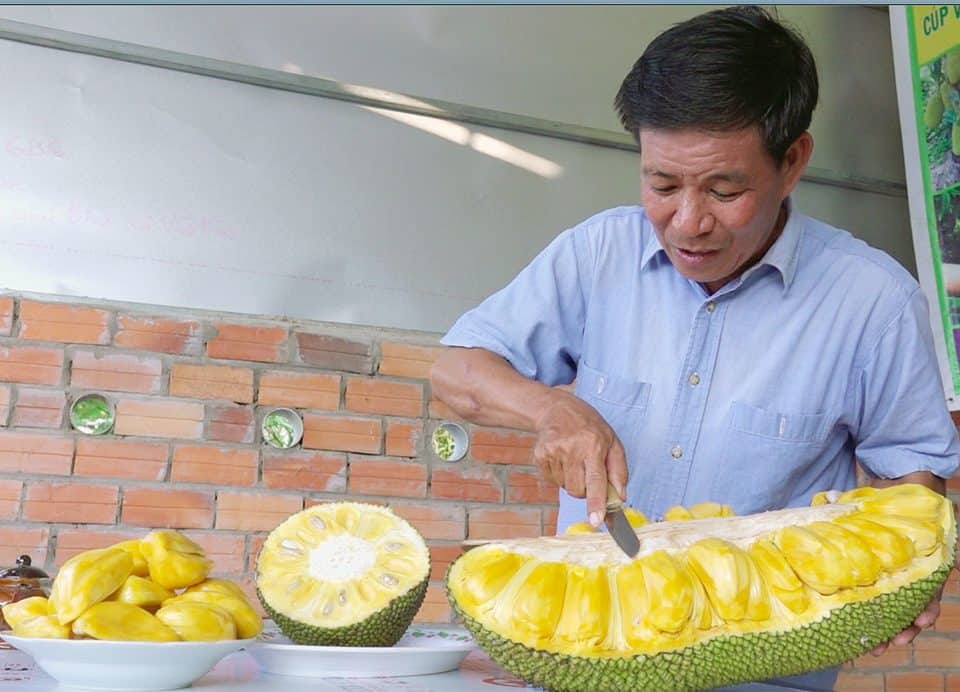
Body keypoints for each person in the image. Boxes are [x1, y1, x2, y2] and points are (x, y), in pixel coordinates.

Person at [430, 6, 960, 691]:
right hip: (590, 660)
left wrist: (910, 569)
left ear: (792, 161)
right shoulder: (599, 254)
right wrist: (549, 410)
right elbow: (455, 369)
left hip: (761, 678)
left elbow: (910, 484)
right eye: (662, 184)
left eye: (724, 188)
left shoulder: (874, 302)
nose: (687, 222)